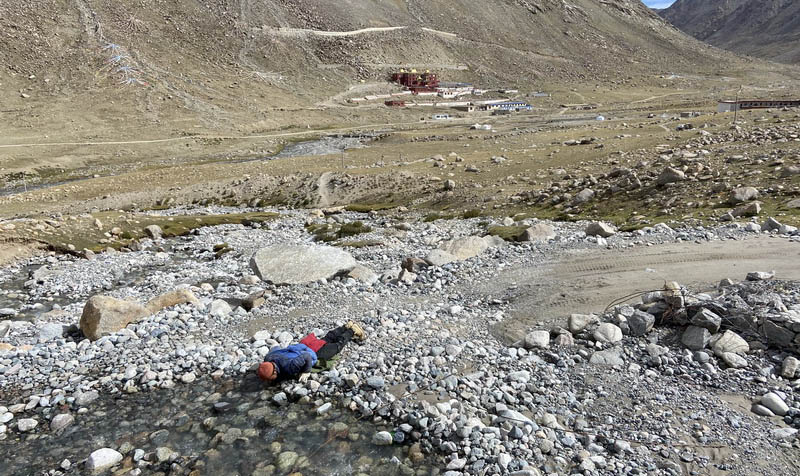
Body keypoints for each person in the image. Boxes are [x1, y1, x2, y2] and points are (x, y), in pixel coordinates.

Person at [257, 321, 365, 383]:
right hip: (304, 345)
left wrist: (306, 371)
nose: (269, 381)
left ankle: (352, 330)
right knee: (326, 339)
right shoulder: (268, 357)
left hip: (314, 352)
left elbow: (307, 356)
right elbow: (275, 348)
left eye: (269, 379)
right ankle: (345, 327)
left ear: (275, 372)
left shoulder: (290, 366)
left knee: (337, 346)